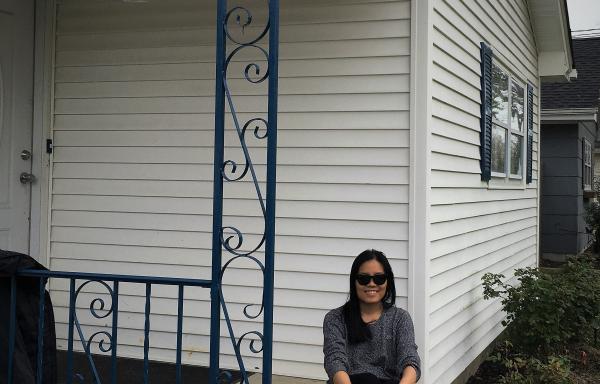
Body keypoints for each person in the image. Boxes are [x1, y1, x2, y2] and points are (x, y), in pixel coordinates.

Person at [323, 249, 421, 384]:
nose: (371, 284)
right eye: (364, 278)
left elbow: (410, 359)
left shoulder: (400, 318)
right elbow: (335, 360)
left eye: (379, 278)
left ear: (388, 282)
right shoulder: (335, 319)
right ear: (354, 281)